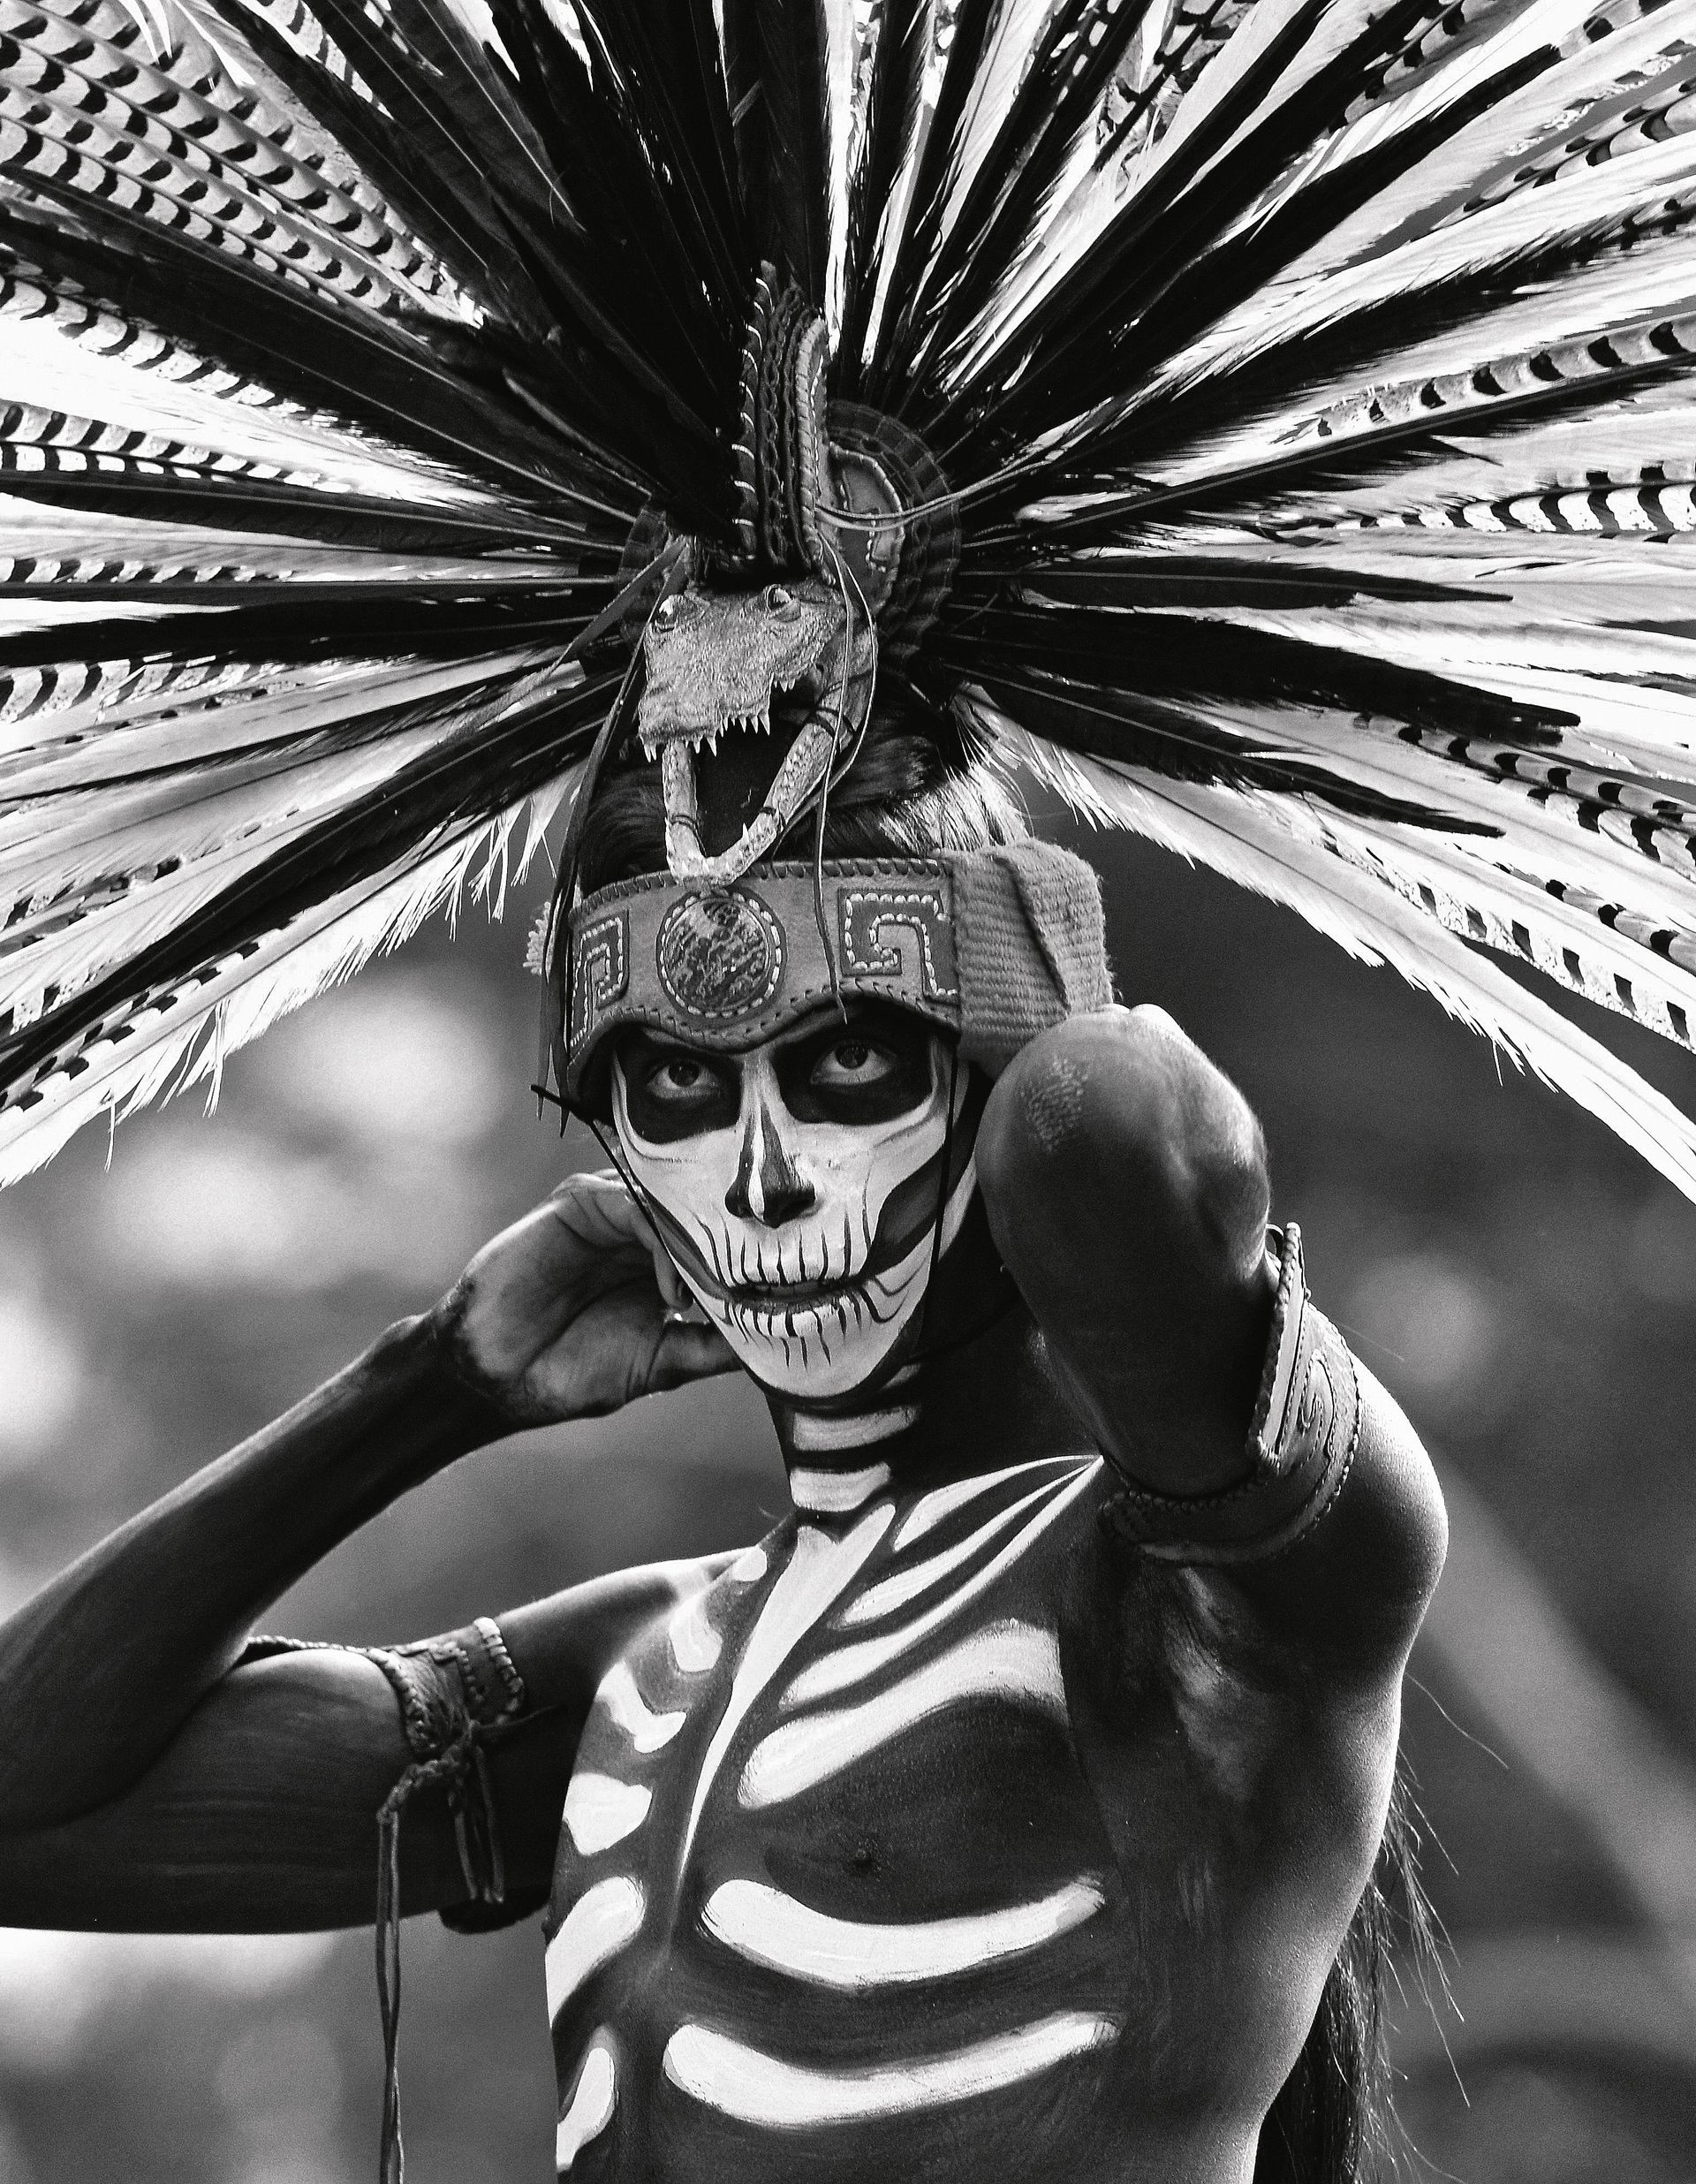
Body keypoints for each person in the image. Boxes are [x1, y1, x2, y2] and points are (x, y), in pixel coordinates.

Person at [0, 716, 1445, 2184]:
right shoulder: (636, 1671)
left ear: (1003, 1067)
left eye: (851, 1062)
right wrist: (433, 1382)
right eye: (680, 1086)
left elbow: (1113, 1124)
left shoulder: (1201, 1598)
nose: (761, 1184)